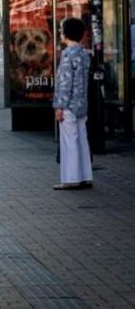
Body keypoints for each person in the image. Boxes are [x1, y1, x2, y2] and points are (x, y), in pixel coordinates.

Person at [53, 17, 92, 190]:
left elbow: (64, 83)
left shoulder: (68, 54)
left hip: (68, 105)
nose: (60, 33)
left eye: (62, 30)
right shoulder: (84, 54)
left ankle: (71, 178)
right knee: (82, 140)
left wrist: (59, 106)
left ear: (66, 33)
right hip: (82, 103)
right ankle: (86, 176)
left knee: (69, 141)